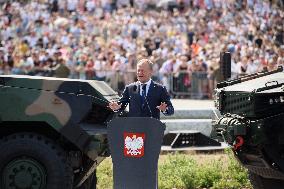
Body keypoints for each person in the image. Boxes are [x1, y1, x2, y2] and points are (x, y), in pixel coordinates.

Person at [109, 58, 174, 120]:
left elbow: (171, 110)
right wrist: (117, 108)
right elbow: (121, 106)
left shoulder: (160, 89)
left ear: (150, 72)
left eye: (142, 70)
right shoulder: (129, 88)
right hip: (134, 128)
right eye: (138, 70)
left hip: (152, 127)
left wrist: (165, 109)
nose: (140, 73)